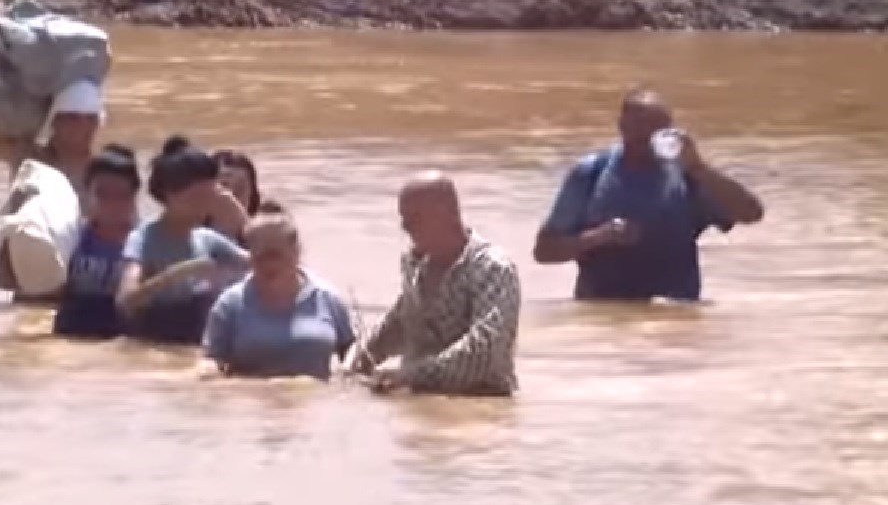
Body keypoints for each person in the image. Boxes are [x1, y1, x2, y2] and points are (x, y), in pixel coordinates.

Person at [532, 88, 764, 301]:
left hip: (675, 318)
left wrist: (699, 168)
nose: (651, 135)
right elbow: (544, 251)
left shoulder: (688, 176)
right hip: (603, 317)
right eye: (642, 126)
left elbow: (752, 213)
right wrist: (600, 237)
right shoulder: (591, 173)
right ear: (622, 126)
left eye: (660, 129)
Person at [344, 171, 521, 396]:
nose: (405, 226)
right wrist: (359, 359)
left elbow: (485, 351)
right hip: (418, 401)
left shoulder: (492, 267)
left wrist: (409, 376)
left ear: (447, 213)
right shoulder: (415, 265)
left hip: (480, 402)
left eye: (414, 217)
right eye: (403, 217)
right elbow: (399, 323)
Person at [115, 142, 250, 344]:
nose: (205, 206)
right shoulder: (143, 238)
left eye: (209, 196)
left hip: (196, 344)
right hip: (152, 345)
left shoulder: (206, 239)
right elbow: (125, 301)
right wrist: (177, 274)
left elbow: (268, 259)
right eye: (196, 198)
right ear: (169, 195)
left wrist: (240, 216)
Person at [202, 212, 355, 380]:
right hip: (250, 399)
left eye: (275, 255)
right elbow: (213, 360)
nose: (269, 264)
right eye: (260, 256)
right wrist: (209, 371)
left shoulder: (327, 298)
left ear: (297, 252)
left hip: (313, 400)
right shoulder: (229, 305)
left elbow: (353, 354)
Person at [0, 81, 100, 302]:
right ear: (54, 122)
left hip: (82, 283)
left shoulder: (103, 170)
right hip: (34, 281)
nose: (81, 125)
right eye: (72, 117)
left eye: (89, 118)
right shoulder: (29, 158)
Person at [52, 144, 140, 338]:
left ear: (134, 197)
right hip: (71, 332)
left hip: (123, 336)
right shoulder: (70, 236)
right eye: (102, 194)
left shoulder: (146, 242)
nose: (112, 204)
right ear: (87, 194)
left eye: (121, 195)